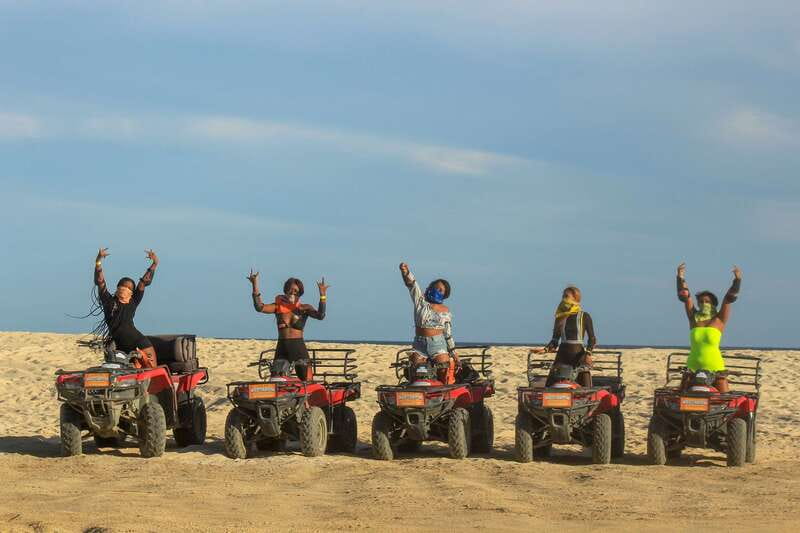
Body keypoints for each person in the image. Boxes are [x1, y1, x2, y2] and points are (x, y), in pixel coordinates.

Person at [247, 269, 328, 380]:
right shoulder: (277, 307)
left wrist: (322, 295)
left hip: (298, 349)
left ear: (300, 293)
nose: (292, 292)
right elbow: (259, 307)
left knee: (307, 381)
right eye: (290, 289)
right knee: (276, 381)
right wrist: (254, 284)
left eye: (296, 290)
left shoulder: (304, 308)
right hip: (282, 348)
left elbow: (320, 316)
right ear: (285, 290)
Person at [676, 263, 742, 393]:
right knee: (681, 398)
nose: (703, 304)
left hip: (715, 367)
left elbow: (729, 298)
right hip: (692, 367)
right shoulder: (693, 318)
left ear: (713, 304)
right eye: (701, 302)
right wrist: (680, 277)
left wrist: (737, 280)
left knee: (724, 398)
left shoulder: (719, 319)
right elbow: (685, 296)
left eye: (707, 301)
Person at [92, 247, 159, 368]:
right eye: (122, 287)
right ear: (117, 289)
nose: (124, 289)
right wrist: (98, 261)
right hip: (120, 348)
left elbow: (143, 282)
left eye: (128, 288)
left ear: (131, 293)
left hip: (141, 344)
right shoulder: (109, 302)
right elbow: (100, 281)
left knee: (151, 372)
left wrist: (155, 263)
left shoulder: (134, 301)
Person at [399, 262, 459, 384]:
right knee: (416, 374)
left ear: (445, 295)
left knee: (444, 372)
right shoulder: (420, 302)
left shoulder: (445, 311)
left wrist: (454, 353)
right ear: (430, 287)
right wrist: (405, 272)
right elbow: (412, 285)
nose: (438, 291)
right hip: (419, 345)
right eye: (436, 288)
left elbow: (447, 334)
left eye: (441, 290)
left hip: (438, 345)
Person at [536, 286, 596, 387]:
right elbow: (555, 340)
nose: (564, 299)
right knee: (549, 386)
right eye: (563, 296)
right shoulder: (560, 317)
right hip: (562, 356)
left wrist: (588, 354)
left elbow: (592, 338)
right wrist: (545, 350)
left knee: (586, 388)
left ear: (575, 298)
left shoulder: (584, 316)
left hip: (578, 356)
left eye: (566, 296)